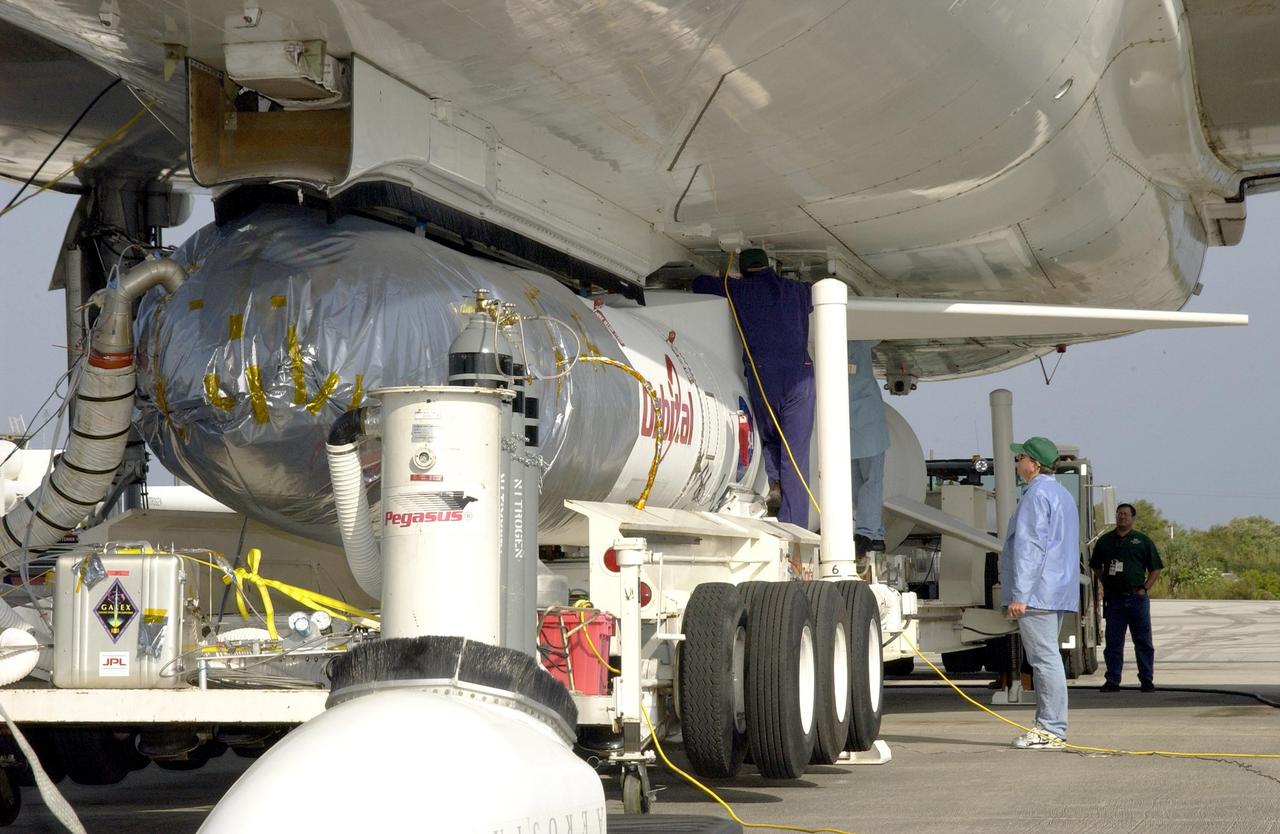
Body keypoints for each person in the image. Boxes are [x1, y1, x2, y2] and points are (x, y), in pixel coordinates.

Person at [693, 248, 814, 527]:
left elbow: (699, 284)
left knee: (771, 437)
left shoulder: (740, 290)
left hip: (765, 377)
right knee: (795, 453)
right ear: (769, 265)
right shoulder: (796, 290)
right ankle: (794, 525)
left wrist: (725, 278)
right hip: (800, 377)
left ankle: (775, 486)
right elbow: (816, 291)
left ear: (745, 270)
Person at [999, 436, 1079, 750]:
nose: (1016, 462)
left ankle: (1050, 729)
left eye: (1020, 458)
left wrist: (1020, 595)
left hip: (1037, 593)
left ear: (1033, 464)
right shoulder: (1061, 494)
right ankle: (1050, 727)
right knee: (1048, 658)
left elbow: (1029, 548)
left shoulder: (1035, 496)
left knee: (1044, 660)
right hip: (1056, 589)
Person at [1089, 502, 1163, 692]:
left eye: (1126, 514)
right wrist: (1105, 581)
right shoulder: (1105, 541)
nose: (1122, 517)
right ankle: (1113, 680)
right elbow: (1096, 566)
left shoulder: (1142, 541)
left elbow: (1155, 568)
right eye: (1119, 514)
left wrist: (1145, 588)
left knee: (1143, 641)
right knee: (1113, 642)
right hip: (1114, 600)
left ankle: (1146, 679)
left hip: (1137, 599)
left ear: (1133, 518)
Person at [848, 340, 889, 552]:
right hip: (848, 426)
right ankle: (875, 532)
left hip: (868, 424)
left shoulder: (862, 339)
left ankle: (866, 533)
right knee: (856, 485)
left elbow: (878, 331)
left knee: (871, 481)